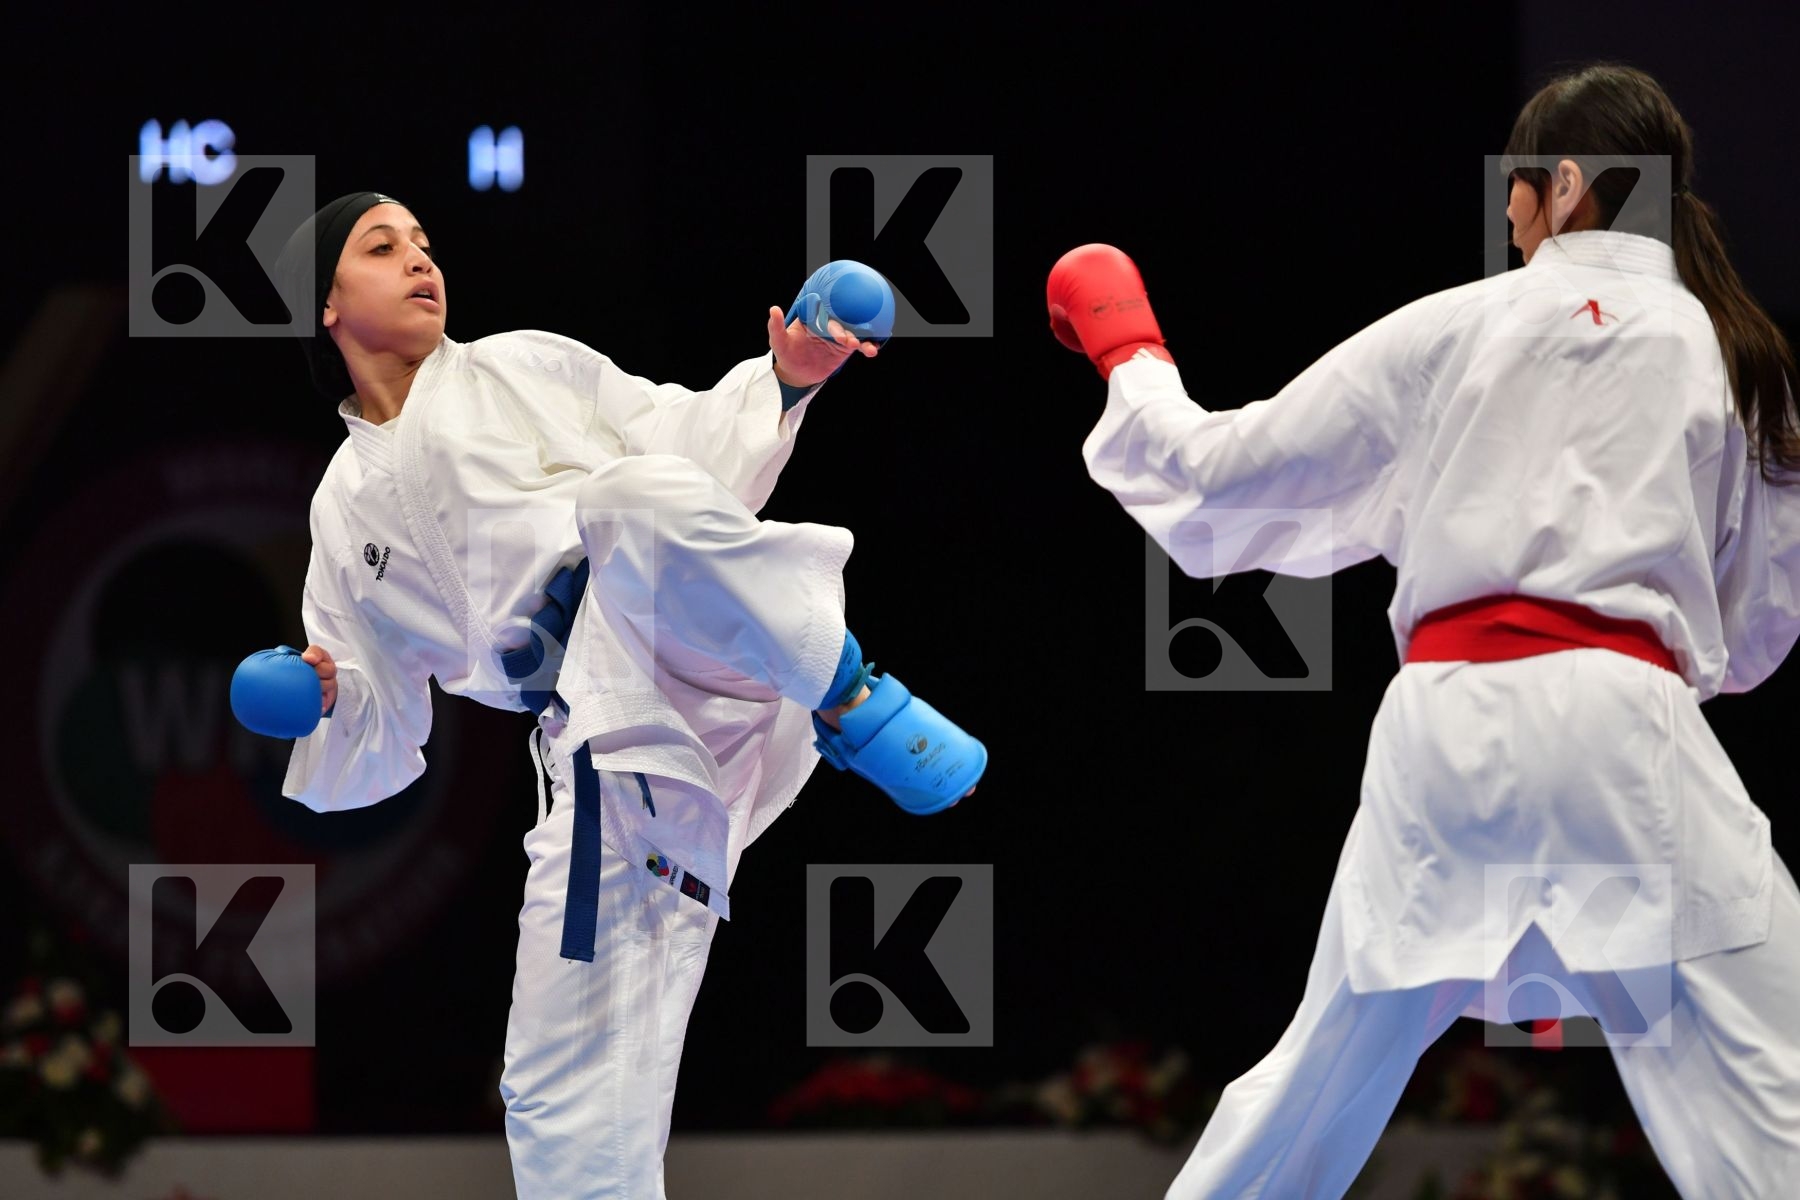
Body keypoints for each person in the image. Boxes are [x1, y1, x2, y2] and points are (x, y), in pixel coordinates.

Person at [1047, 63, 1800, 1198]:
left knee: (1313, 1084)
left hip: (1443, 737)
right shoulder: (1739, 354)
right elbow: (1756, 639)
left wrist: (1130, 352)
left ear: (1567, 182)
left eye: (1517, 190)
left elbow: (1221, 478)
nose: (1507, 216)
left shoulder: (1462, 327)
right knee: (1775, 1098)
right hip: (1625, 724)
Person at [270, 190, 985, 1198]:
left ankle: (853, 698)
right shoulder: (341, 512)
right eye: (383, 249)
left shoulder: (523, 364)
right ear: (327, 306)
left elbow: (683, 444)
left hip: (693, 635)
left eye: (425, 244)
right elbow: (385, 731)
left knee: (630, 495)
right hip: (602, 745)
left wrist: (787, 375)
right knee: (556, 1099)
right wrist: (325, 697)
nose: (421, 262)